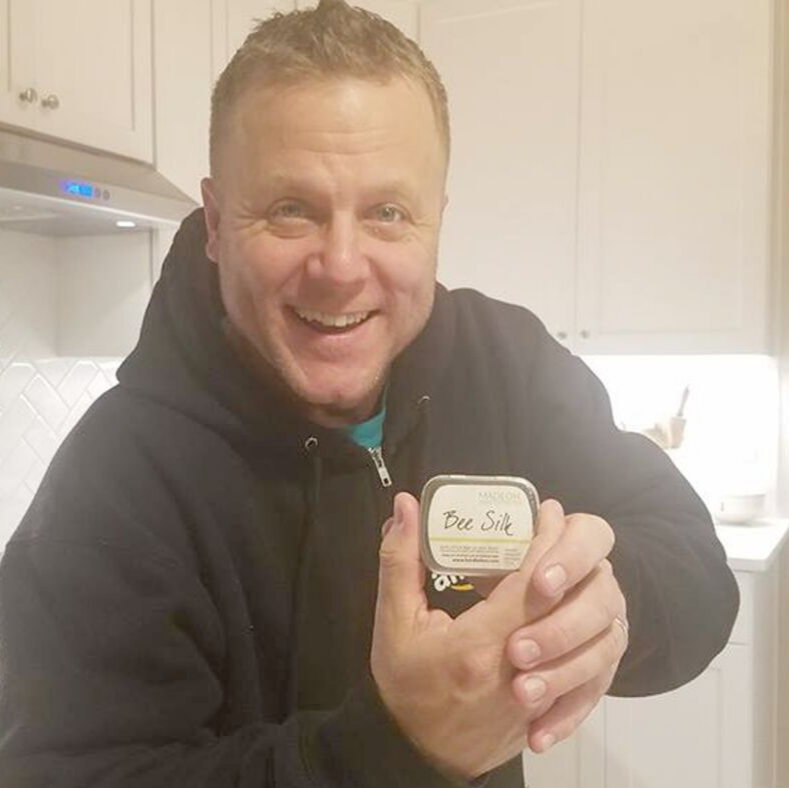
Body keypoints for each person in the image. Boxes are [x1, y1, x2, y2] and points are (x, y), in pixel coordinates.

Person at [0, 2, 739, 786]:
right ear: (215, 224)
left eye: (388, 213)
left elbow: (694, 568)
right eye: (291, 210)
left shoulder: (503, 362)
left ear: (435, 221)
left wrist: (605, 609)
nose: (342, 267)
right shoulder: (118, 478)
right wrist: (393, 748)